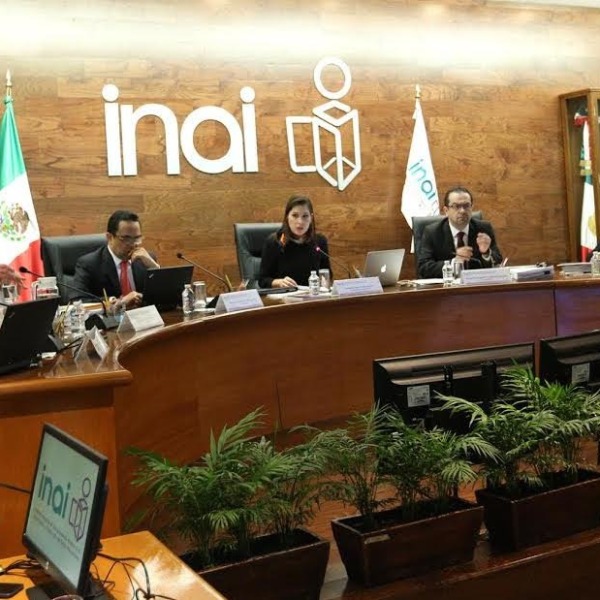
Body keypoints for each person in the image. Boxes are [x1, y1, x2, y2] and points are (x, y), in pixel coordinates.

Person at [72, 210, 159, 309]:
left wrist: (155, 268)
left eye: (137, 238)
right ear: (109, 237)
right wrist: (119, 303)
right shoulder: (89, 264)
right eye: (126, 238)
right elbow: (77, 301)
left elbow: (167, 298)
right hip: (112, 318)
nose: (133, 244)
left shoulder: (146, 259)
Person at [417, 186, 503, 279]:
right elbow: (423, 268)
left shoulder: (483, 228)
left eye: (466, 206)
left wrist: (486, 253)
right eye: (456, 206)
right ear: (446, 210)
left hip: (476, 284)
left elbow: (498, 260)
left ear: (471, 208)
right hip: (447, 286)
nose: (462, 211)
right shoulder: (432, 232)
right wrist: (455, 262)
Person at [259, 194, 331, 288]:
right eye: (295, 215)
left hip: (313, 295)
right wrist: (279, 282)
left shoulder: (319, 242)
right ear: (287, 217)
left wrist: (325, 283)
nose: (300, 222)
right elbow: (263, 280)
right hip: (285, 295)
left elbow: (326, 275)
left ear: (311, 218)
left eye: (305, 216)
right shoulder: (274, 242)